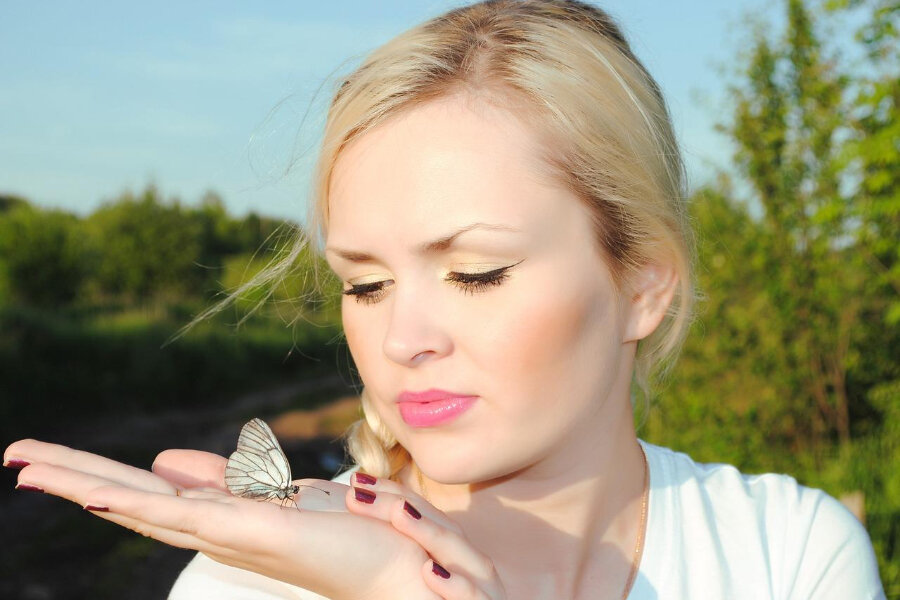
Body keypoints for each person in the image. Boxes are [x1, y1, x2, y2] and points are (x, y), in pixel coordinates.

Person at [4, 1, 886, 598]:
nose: (401, 339)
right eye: (366, 284)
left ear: (644, 284)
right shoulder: (257, 579)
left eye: (475, 272)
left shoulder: (787, 555)